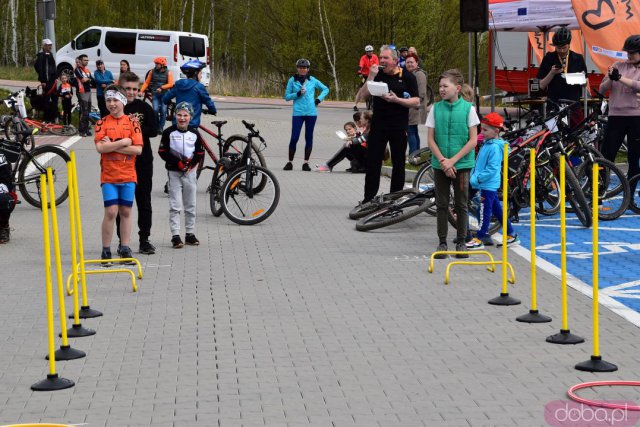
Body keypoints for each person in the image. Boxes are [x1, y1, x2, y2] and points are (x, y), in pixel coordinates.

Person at [427, 69, 479, 258]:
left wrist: (453, 161)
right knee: (441, 204)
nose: (441, 89)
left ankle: (462, 242)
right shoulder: (435, 108)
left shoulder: (468, 109)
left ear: (457, 88)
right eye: (440, 86)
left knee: (461, 203)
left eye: (445, 86)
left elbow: (473, 140)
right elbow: (431, 139)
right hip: (440, 164)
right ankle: (442, 242)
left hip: (462, 164)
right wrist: (443, 161)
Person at [358, 45, 419, 203]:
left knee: (398, 163)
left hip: (398, 126)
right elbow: (360, 97)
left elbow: (417, 101)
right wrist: (370, 77)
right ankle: (368, 199)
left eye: (385, 58)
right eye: (381, 57)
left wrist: (397, 100)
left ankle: (394, 199)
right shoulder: (377, 74)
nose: (382, 61)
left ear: (394, 60)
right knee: (373, 162)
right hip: (379, 125)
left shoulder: (407, 76)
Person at [94, 85, 143, 264]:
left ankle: (124, 247)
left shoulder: (133, 123)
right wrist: (123, 142)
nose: (112, 104)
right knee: (111, 211)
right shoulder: (101, 123)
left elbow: (137, 150)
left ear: (122, 101)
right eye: (108, 100)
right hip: (108, 176)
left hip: (129, 175)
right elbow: (100, 147)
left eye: (115, 100)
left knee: (126, 211)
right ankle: (105, 250)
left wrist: (111, 145)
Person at [115, 71, 158, 255]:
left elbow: (154, 129)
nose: (131, 92)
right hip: (120, 163)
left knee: (144, 201)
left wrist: (133, 130)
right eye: (127, 89)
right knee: (121, 204)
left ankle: (144, 239)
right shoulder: (114, 107)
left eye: (134, 89)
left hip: (143, 161)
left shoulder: (144, 108)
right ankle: (122, 242)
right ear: (120, 87)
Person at [466, 112, 519, 250]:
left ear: (496, 131)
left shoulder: (494, 147)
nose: (482, 132)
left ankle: (480, 237)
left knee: (485, 211)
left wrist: (478, 178)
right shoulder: (488, 143)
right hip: (485, 183)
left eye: (485, 130)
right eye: (481, 129)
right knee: (497, 209)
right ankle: (511, 234)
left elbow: (492, 168)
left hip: (487, 184)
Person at [158, 102, 204, 249]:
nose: (182, 118)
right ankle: (175, 236)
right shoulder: (168, 132)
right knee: (175, 205)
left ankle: (190, 234)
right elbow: (162, 151)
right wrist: (177, 162)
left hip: (190, 173)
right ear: (175, 116)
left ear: (190, 117)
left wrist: (191, 164)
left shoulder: (195, 134)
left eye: (185, 115)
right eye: (179, 115)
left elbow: (199, 153)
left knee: (191, 204)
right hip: (174, 173)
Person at [599, 35, 640, 188]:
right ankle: (599, 192)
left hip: (636, 117)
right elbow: (603, 89)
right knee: (606, 156)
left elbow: (637, 85)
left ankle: (630, 196)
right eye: (627, 52)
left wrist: (620, 78)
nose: (629, 55)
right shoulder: (618, 65)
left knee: (634, 158)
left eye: (633, 53)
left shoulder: (623, 72)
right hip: (616, 116)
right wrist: (611, 77)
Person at [283, 58, 329, 171]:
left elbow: (325, 89)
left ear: (308, 69)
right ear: (297, 68)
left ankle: (305, 163)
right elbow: (287, 97)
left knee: (309, 137)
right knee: (294, 137)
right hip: (298, 113)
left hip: (311, 113)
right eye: (300, 67)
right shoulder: (292, 80)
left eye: (304, 68)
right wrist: (297, 94)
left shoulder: (312, 80)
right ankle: (290, 162)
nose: (302, 69)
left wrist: (318, 100)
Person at [536, 27, 587, 127]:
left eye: (564, 47)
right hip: (554, 104)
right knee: (553, 136)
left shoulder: (577, 58)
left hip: (573, 104)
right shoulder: (549, 57)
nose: (561, 50)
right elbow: (541, 85)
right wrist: (552, 73)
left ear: (569, 44)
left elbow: (585, 83)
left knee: (576, 133)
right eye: (558, 48)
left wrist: (576, 78)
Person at [163, 60, 216, 128]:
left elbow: (165, 99)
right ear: (196, 73)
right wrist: (213, 111)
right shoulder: (199, 87)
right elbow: (208, 101)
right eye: (201, 73)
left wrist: (170, 103)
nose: (201, 76)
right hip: (191, 123)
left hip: (178, 123)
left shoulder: (178, 85)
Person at [141, 57, 175, 134]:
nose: (156, 65)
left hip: (165, 95)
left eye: (157, 64)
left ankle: (160, 127)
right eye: (155, 63)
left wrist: (161, 87)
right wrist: (141, 91)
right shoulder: (151, 72)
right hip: (155, 94)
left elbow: (171, 84)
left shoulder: (168, 72)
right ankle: (156, 126)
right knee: (155, 110)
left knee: (163, 111)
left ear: (162, 65)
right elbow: (146, 83)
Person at [405, 53, 428, 154]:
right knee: (413, 131)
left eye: (411, 62)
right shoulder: (411, 73)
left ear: (417, 63)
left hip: (415, 107)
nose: (409, 64)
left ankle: (413, 155)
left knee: (411, 132)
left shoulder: (419, 74)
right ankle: (416, 154)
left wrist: (412, 101)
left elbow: (422, 92)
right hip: (411, 106)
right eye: (407, 62)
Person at [33, 39, 58, 122]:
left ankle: (54, 116)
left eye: (50, 45)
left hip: (53, 81)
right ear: (43, 46)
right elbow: (38, 68)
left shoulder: (50, 54)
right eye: (48, 45)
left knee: (55, 99)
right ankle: (46, 118)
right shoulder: (41, 56)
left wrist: (56, 77)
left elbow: (54, 67)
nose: (50, 47)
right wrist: (43, 80)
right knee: (46, 100)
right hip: (46, 82)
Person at [354, 45, 379, 111]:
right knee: (360, 89)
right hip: (365, 75)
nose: (370, 52)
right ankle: (355, 105)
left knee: (378, 87)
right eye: (368, 51)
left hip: (373, 75)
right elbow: (361, 65)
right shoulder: (363, 58)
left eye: (371, 51)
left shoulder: (375, 57)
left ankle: (376, 103)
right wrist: (359, 72)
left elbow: (377, 65)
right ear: (366, 52)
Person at [0, 148, 17, 244]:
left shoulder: (0, 157)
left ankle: (3, 226)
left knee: (4, 200)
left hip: (2, 188)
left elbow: (7, 181)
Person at [75, 54, 94, 137]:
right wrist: (88, 79)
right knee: (84, 111)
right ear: (80, 61)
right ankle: (82, 130)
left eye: (87, 60)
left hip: (88, 91)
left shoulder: (87, 70)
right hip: (82, 91)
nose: (86, 61)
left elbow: (92, 80)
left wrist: (88, 79)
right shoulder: (77, 69)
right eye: (85, 60)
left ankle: (86, 129)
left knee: (88, 111)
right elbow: (83, 79)